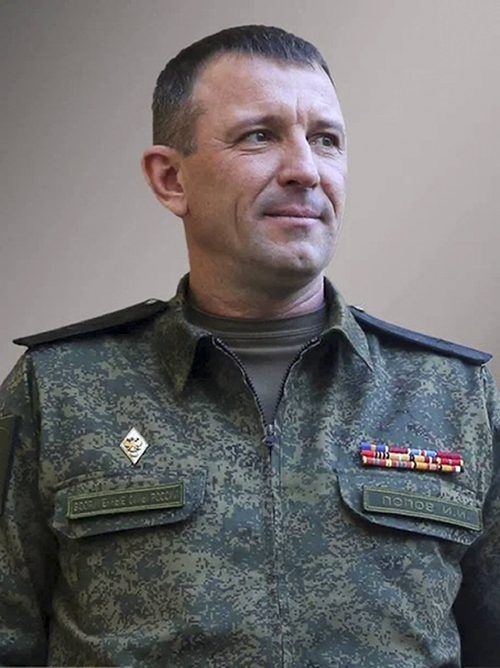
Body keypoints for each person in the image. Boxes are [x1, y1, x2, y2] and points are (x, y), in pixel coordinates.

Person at [0, 24, 498, 668]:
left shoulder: (451, 394)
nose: (305, 170)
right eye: (259, 136)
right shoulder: (61, 390)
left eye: (326, 140)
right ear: (170, 178)